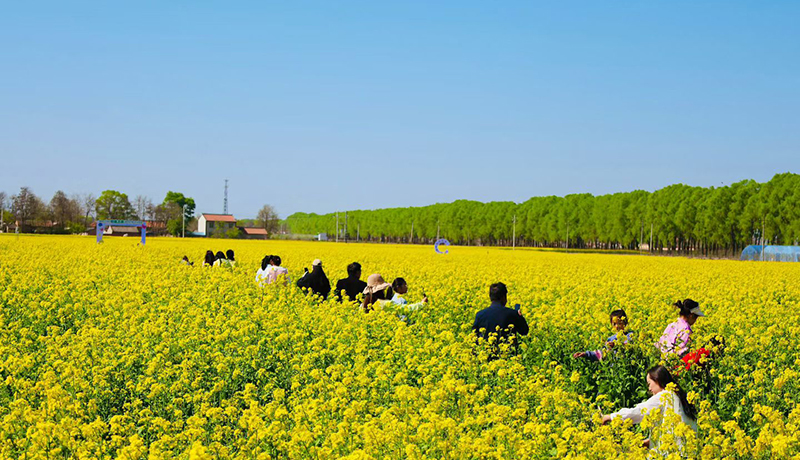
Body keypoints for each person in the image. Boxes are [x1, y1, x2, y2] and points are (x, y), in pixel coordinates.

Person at [602, 365, 697, 452]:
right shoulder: (679, 396)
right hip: (688, 451)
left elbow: (639, 412)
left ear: (657, 380)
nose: (649, 389)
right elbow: (672, 426)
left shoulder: (664, 396)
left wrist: (610, 417)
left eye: (649, 383)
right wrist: (648, 442)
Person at [472, 282, 529, 353]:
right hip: (508, 357)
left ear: (490, 297)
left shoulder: (480, 315)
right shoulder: (512, 314)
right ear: (503, 297)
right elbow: (524, 331)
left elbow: (474, 337)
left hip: (486, 356)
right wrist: (520, 317)